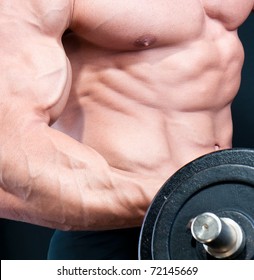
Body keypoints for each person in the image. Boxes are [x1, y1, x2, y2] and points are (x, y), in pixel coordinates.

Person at [0, 0, 253, 260]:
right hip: (113, 234)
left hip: (233, 222)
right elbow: (9, 156)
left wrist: (220, 193)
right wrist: (186, 196)